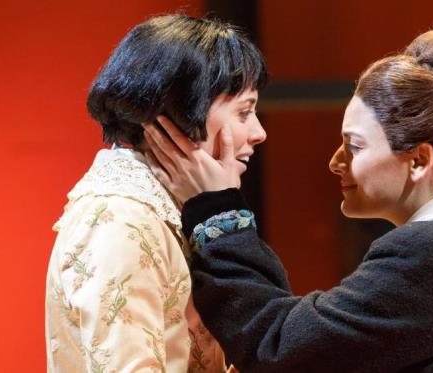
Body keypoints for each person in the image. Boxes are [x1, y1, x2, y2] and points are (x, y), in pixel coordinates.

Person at [144, 29, 433, 372]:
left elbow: (277, 348)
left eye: (354, 146)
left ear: (419, 160)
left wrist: (217, 208)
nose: (334, 162)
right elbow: (295, 333)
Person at [44, 14, 267, 372]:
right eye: (244, 112)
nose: (258, 133)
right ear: (179, 113)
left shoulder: (164, 210)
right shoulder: (121, 219)